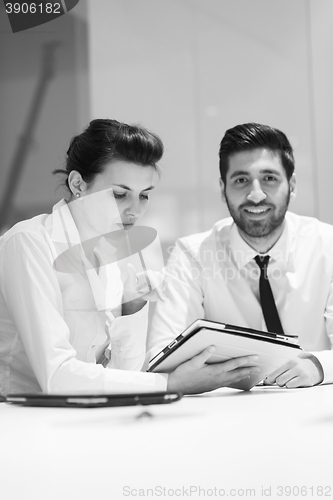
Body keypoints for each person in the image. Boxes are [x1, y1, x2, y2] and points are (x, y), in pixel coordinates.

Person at [0, 118, 259, 396]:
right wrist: (170, 384)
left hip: (85, 418)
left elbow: (124, 376)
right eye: (119, 194)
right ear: (78, 184)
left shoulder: (111, 253)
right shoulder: (29, 243)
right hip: (19, 423)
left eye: (144, 195)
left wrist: (132, 309)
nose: (134, 210)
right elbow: (58, 376)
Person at [149, 122, 333, 389]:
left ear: (291, 185)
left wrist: (319, 365)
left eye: (269, 178)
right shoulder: (193, 254)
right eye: (241, 180)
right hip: (227, 411)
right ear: (223, 188)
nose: (255, 195)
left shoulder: (328, 246)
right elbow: (161, 353)